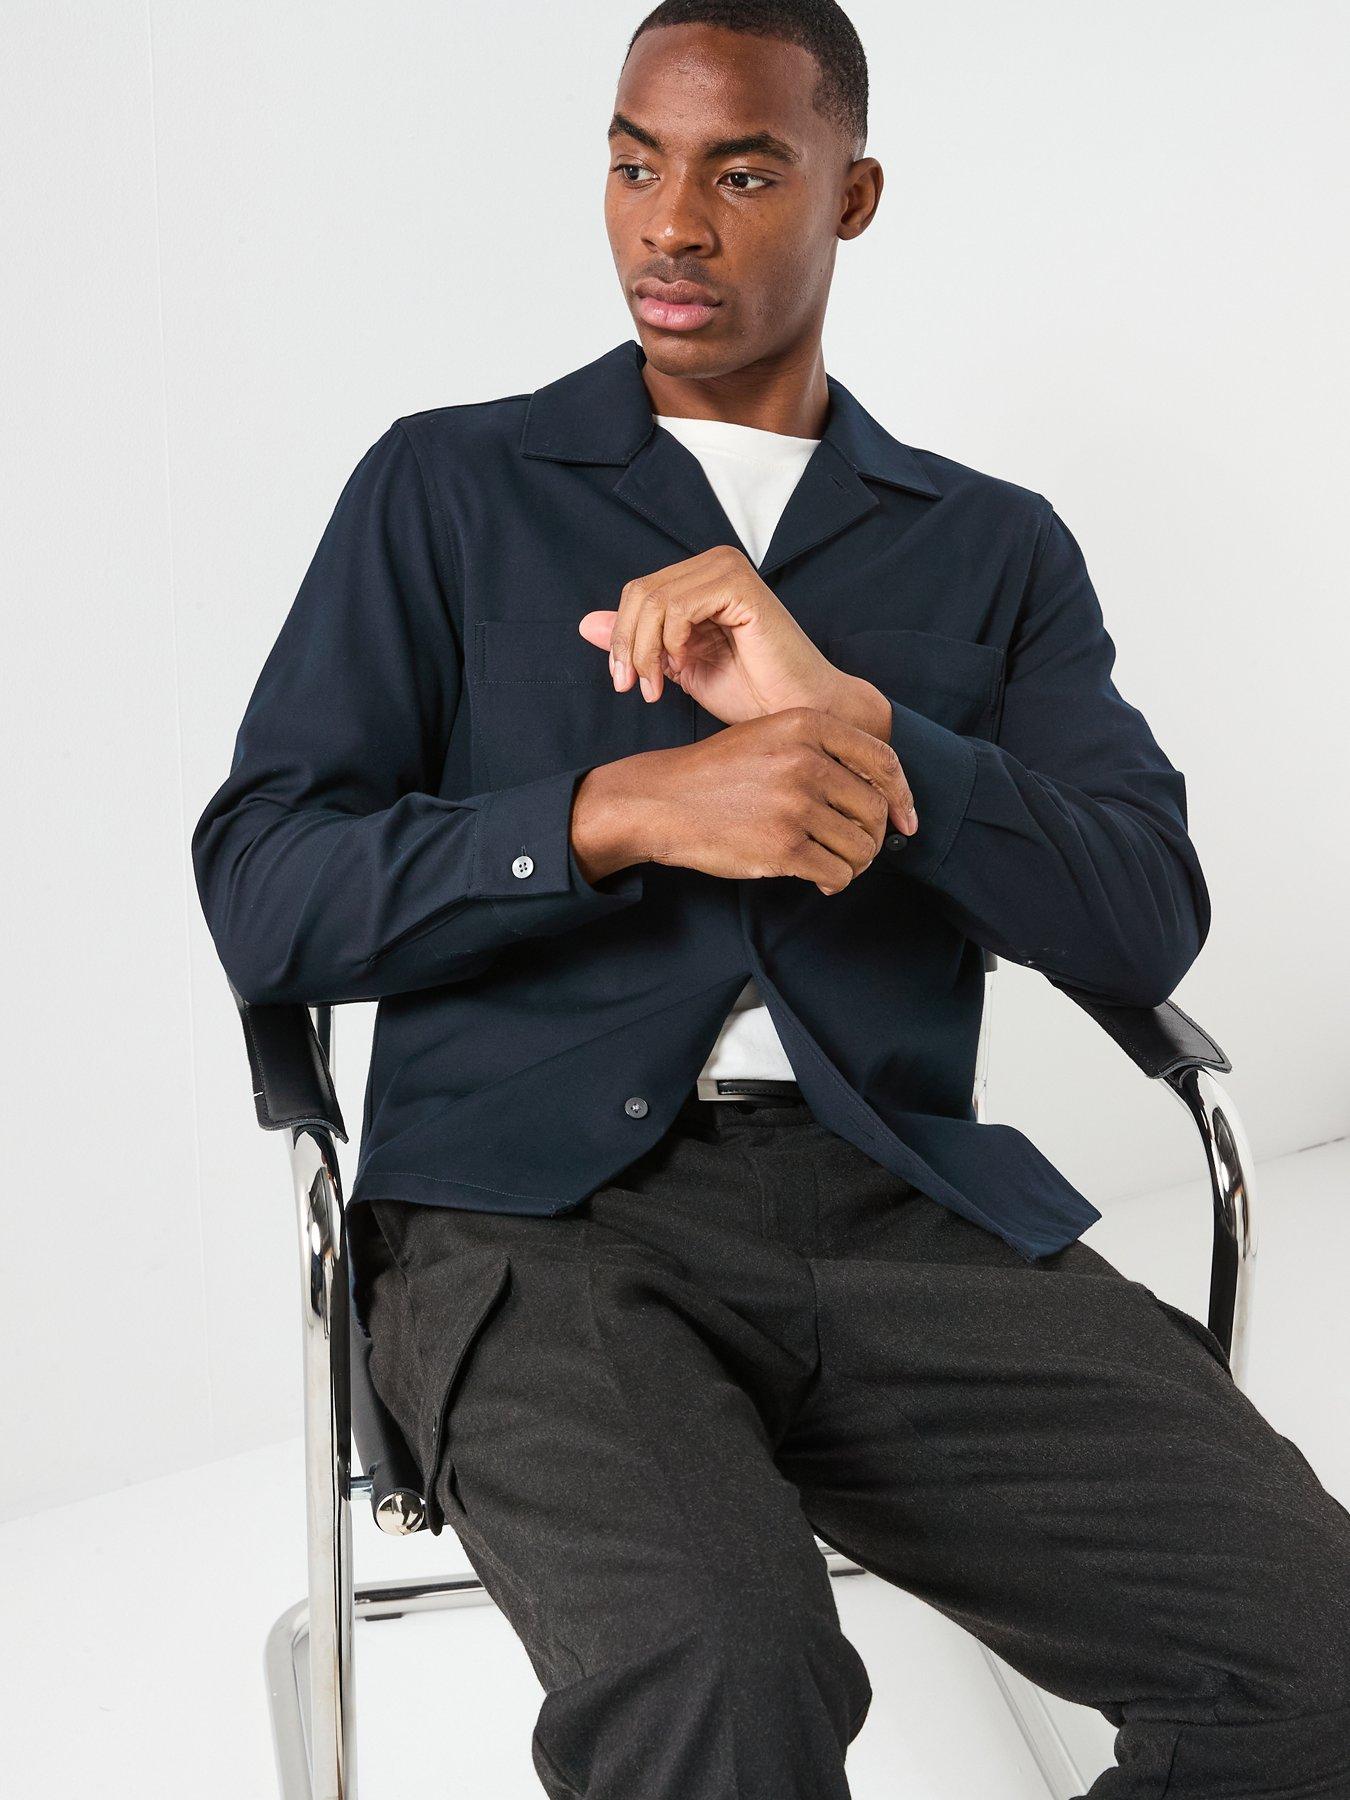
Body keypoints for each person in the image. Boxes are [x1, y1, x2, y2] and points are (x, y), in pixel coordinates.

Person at [192, 2, 1350, 1793]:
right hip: (528, 1223)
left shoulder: (989, 546)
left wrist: (862, 731)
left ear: (852, 194)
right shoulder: (450, 486)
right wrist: (619, 811)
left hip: (900, 1210)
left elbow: (1140, 919)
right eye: (633, 162)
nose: (670, 223)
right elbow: (264, 887)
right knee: (731, 1683)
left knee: (1318, 1668)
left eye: (741, 173)